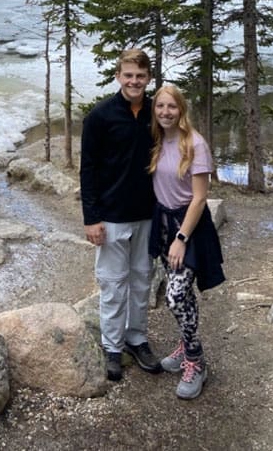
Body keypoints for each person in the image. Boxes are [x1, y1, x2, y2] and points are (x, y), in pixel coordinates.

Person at [80, 48, 162, 382]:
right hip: (111, 215)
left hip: (148, 213)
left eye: (140, 76)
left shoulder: (156, 112)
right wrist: (91, 218)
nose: (134, 81)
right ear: (118, 76)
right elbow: (88, 170)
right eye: (128, 75)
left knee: (142, 279)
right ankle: (112, 346)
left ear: (148, 78)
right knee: (113, 285)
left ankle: (136, 338)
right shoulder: (100, 116)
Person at [148, 84, 224, 400]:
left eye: (172, 107)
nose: (166, 112)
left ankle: (196, 361)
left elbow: (200, 198)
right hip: (163, 224)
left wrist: (181, 238)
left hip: (188, 228)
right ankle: (186, 345)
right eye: (160, 106)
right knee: (180, 294)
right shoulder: (156, 140)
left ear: (182, 109)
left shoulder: (195, 144)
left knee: (177, 295)